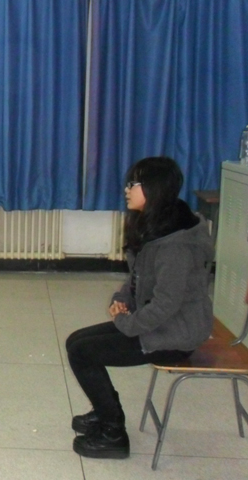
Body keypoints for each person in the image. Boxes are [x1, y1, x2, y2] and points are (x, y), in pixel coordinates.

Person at [66, 156, 214, 459]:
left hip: (176, 335)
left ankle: (113, 432)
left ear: (154, 188)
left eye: (134, 183)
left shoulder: (176, 245)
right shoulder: (157, 223)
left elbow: (166, 303)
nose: (127, 189)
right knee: (75, 341)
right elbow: (139, 279)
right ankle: (107, 412)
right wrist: (121, 299)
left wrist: (126, 324)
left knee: (83, 352)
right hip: (159, 322)